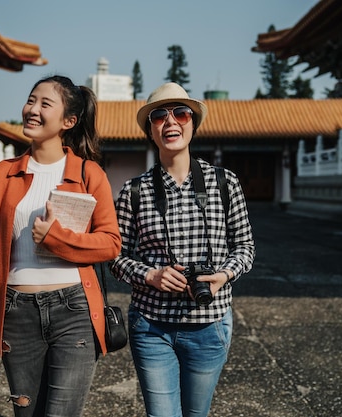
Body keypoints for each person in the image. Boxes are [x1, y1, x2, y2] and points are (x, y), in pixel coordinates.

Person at [0, 75, 122, 417]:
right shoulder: (2, 174)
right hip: (15, 312)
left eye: (44, 104)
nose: (32, 110)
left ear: (68, 121)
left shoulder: (88, 174)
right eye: (30, 100)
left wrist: (55, 238)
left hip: (74, 311)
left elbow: (110, 244)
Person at [110, 82, 255, 417]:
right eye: (159, 116)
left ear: (193, 123)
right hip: (152, 325)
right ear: (150, 129)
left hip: (210, 322)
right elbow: (115, 256)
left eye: (181, 113)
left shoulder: (224, 183)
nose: (170, 121)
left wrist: (223, 275)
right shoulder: (134, 191)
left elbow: (245, 247)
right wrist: (151, 275)